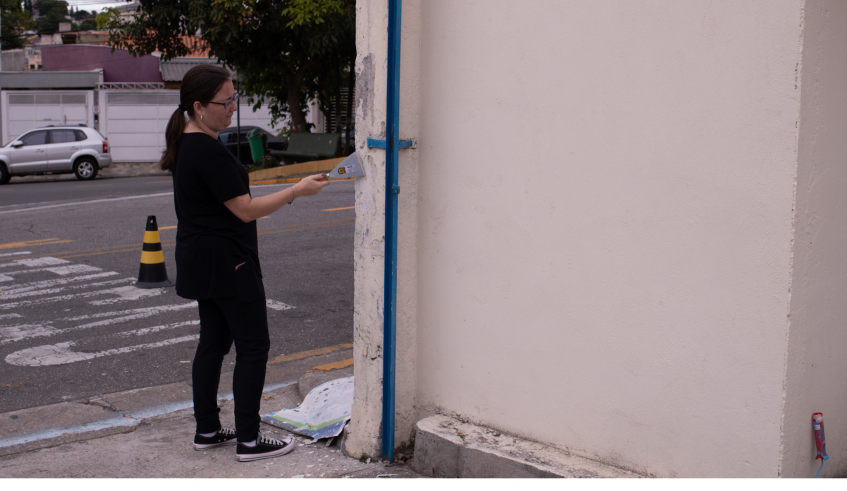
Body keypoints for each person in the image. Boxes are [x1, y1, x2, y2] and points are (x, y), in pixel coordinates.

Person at [160, 64, 330, 462]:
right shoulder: (207, 150)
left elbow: (221, 207)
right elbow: (245, 210)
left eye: (235, 97)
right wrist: (296, 191)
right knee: (253, 347)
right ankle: (249, 440)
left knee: (214, 343)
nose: (233, 107)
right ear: (200, 107)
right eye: (226, 101)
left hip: (200, 259)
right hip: (228, 262)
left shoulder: (187, 141)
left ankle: (207, 429)